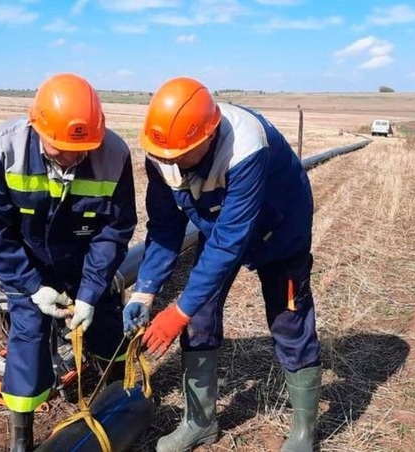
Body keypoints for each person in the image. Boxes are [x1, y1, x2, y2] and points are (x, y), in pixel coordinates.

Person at [123, 77, 321, 452]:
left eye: (181, 156)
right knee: (199, 314)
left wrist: (177, 311)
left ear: (208, 136)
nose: (171, 163)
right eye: (164, 156)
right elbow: (165, 228)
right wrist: (144, 292)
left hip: (280, 229)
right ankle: (199, 422)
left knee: (289, 321)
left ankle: (303, 434)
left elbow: (231, 240)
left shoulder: (245, 146)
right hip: (220, 228)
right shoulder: (164, 152)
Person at [0, 73, 137, 452]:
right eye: (61, 148)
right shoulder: (1, 149)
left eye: (83, 149)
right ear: (36, 125)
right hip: (27, 263)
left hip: (84, 260)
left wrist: (91, 293)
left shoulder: (114, 155)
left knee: (107, 328)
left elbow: (114, 230)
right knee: (28, 342)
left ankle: (119, 402)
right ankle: (22, 439)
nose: (74, 157)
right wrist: (32, 287)